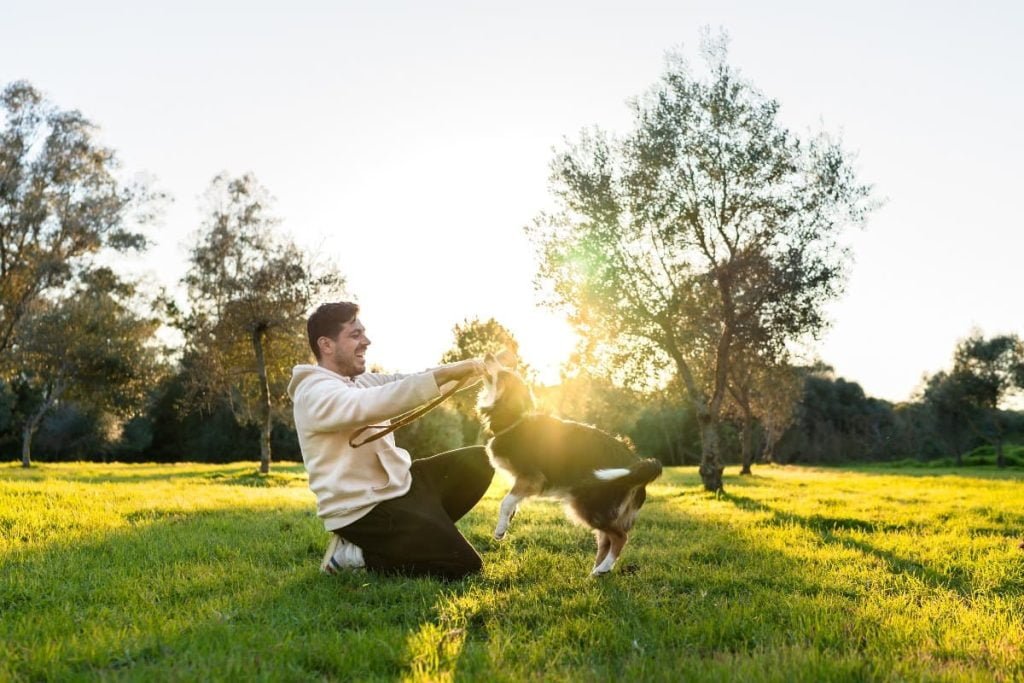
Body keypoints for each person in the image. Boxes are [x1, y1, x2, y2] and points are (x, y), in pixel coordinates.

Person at [287, 302, 495, 580]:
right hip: (364, 510)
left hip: (401, 485)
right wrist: (448, 374)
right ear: (326, 344)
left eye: (364, 333)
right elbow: (375, 402)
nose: (366, 341)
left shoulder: (358, 381)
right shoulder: (314, 393)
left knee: (480, 461)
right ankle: (357, 556)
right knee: (464, 566)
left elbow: (411, 381)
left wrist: (479, 369)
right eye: (355, 335)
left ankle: (422, 535)